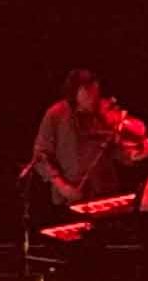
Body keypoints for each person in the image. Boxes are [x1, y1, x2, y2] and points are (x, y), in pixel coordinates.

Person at [30, 67, 122, 207]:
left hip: (105, 193)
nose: (94, 99)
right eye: (88, 93)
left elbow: (117, 152)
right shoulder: (56, 114)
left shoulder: (103, 113)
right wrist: (62, 187)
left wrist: (133, 155)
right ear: (75, 92)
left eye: (96, 93)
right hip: (70, 198)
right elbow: (41, 156)